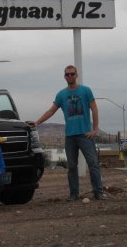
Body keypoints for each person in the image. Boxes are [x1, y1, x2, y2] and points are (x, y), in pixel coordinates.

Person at [27, 65, 106, 201]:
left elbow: (94, 109)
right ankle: (74, 194)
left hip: (86, 135)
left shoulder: (86, 91)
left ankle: (98, 192)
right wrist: (37, 122)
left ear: (76, 75)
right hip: (70, 136)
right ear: (64, 77)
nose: (70, 76)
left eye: (72, 74)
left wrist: (95, 129)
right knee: (71, 167)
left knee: (93, 164)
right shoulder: (61, 94)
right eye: (67, 74)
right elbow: (51, 111)